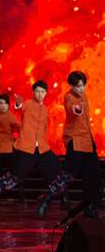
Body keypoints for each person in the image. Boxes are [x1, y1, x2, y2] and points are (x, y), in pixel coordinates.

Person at [0, 81, 61, 212]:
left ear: (46, 93)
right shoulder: (28, 104)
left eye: (42, 92)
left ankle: (51, 198)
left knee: (57, 169)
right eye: (37, 91)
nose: (40, 94)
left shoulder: (45, 109)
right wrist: (18, 103)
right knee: (16, 176)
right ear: (33, 92)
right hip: (27, 148)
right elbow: (20, 108)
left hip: (41, 148)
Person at [37, 71, 103, 218]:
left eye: (83, 85)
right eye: (78, 86)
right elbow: (73, 108)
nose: (81, 89)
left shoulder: (84, 96)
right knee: (67, 176)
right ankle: (46, 199)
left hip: (87, 142)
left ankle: (90, 208)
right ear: (71, 86)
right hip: (76, 141)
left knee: (93, 176)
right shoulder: (69, 98)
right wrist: (77, 110)